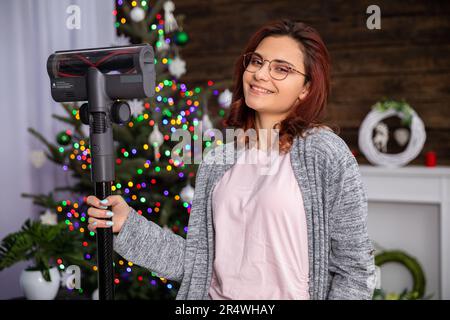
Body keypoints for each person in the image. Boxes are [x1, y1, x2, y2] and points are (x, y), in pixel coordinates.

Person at [87, 19, 376, 300]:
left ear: (306, 88)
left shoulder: (324, 154)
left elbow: (354, 270)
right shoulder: (219, 160)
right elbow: (199, 265)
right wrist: (128, 224)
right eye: (257, 62)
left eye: (282, 69)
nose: (261, 74)